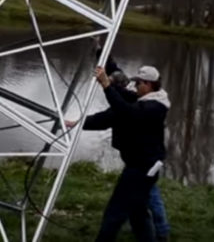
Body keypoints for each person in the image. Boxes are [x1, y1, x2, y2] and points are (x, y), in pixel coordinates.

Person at [67, 64, 170, 241]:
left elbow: (126, 111)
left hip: (141, 169)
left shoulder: (155, 107)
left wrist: (107, 85)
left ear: (149, 84)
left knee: (115, 212)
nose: (135, 87)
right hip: (140, 166)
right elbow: (111, 114)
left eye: (139, 83)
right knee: (137, 213)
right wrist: (78, 123)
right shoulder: (142, 99)